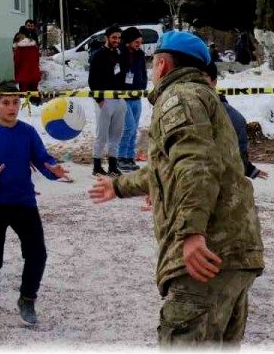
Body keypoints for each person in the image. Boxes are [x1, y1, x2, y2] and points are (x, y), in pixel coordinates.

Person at [89, 31, 264, 345]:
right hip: (233, 251)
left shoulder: (178, 98)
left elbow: (196, 165)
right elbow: (168, 169)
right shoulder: (203, 97)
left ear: (161, 66)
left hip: (206, 251)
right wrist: (118, 186)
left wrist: (190, 233)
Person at [0, 82, 70, 327]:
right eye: (5, 103)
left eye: (15, 102)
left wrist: (54, 170)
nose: (11, 107)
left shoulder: (28, 132)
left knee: (37, 253)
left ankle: (27, 299)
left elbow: (42, 158)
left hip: (23, 201)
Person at [203, 63, 268, 181]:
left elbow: (238, 152)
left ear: (214, 82)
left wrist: (248, 169)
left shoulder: (232, 117)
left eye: (203, 77)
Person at [88, 25, 127, 177]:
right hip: (104, 100)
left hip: (118, 98)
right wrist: (99, 99)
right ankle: (97, 166)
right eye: (114, 37)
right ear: (107, 38)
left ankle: (112, 165)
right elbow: (92, 80)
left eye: (119, 38)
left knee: (116, 135)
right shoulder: (98, 55)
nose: (117, 40)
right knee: (102, 134)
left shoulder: (119, 54)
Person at [118, 27, 149, 172]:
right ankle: (120, 157)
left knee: (134, 128)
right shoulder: (119, 53)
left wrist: (142, 84)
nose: (139, 44)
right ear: (129, 41)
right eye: (136, 42)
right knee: (128, 127)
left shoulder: (140, 54)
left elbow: (143, 71)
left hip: (136, 95)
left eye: (140, 42)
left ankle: (130, 157)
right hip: (123, 96)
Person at [13, 32, 42, 102]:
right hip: (35, 73)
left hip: (23, 75)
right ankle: (37, 106)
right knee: (34, 92)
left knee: (24, 96)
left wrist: (16, 76)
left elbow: (17, 63)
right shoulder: (34, 47)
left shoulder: (19, 49)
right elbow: (37, 59)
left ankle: (26, 108)